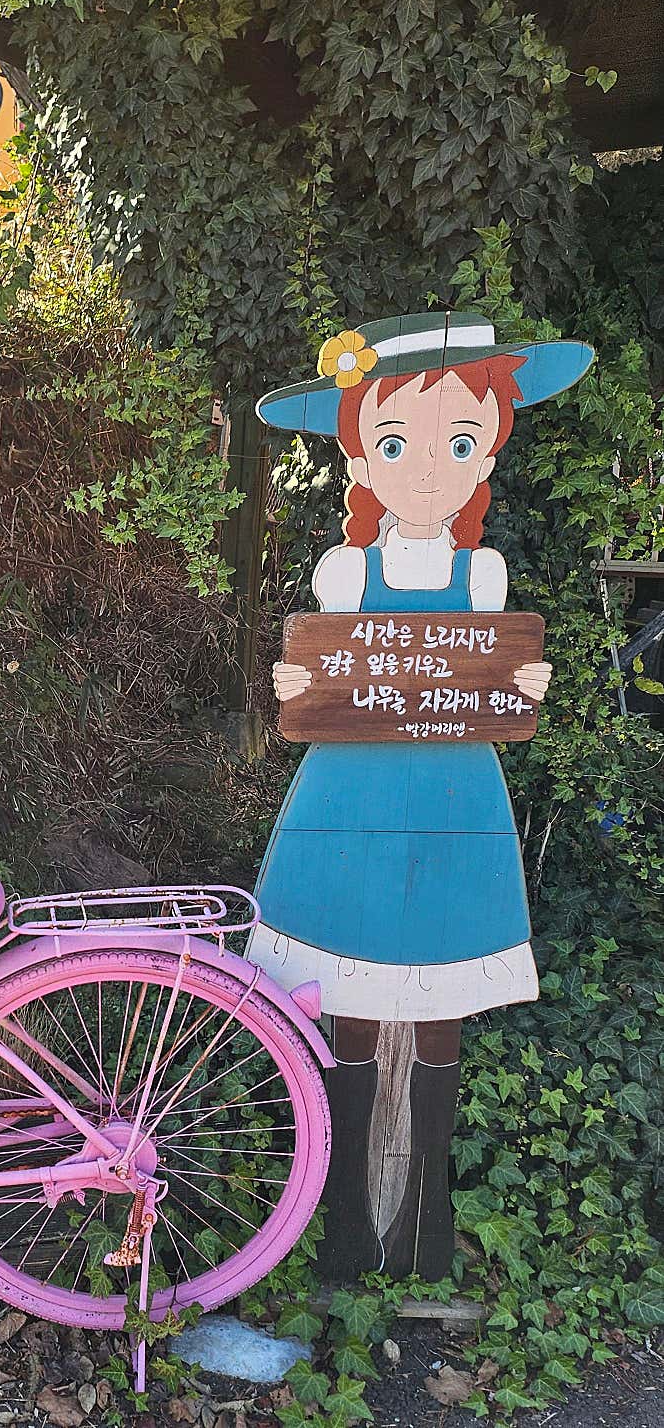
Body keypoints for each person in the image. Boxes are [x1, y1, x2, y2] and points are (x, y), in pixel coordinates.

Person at [250, 310, 593, 1276]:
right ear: (362, 458)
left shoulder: (482, 572)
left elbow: (488, 673)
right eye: (399, 443)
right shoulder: (344, 570)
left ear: (487, 456)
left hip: (453, 801)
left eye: (459, 442)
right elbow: (329, 669)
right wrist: (300, 683)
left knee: (440, 1002)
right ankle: (345, 1220)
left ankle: (423, 1220)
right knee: (348, 997)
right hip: (347, 802)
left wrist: (519, 682)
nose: (430, 470)